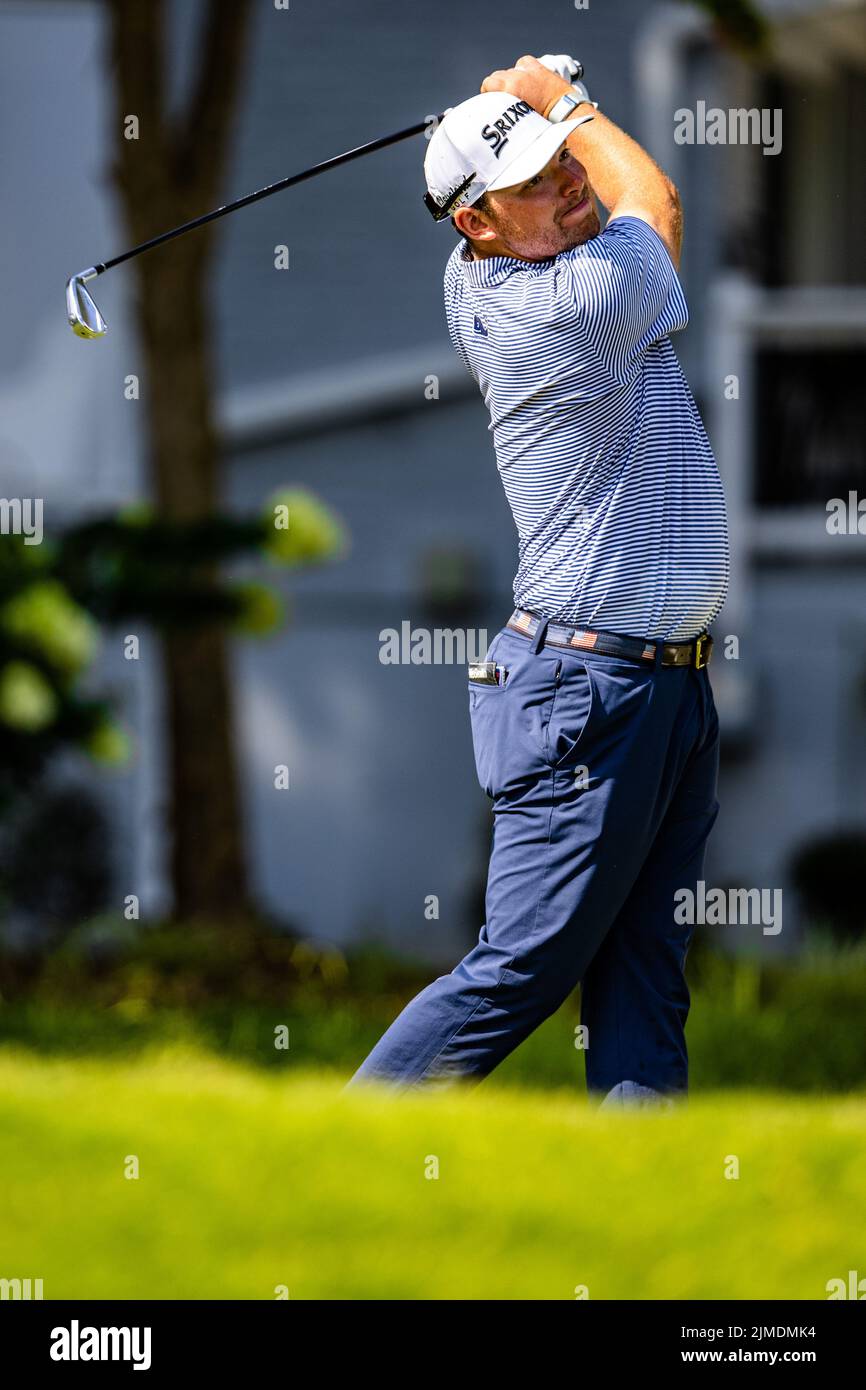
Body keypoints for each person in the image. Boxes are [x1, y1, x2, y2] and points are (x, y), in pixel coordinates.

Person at [347, 54, 729, 1108]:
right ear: (475, 223)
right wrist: (562, 99)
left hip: (658, 687)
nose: (569, 182)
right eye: (535, 180)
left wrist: (520, 118)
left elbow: (595, 196)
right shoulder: (572, 304)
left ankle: (635, 1196)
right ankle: (346, 1140)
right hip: (586, 695)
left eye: (564, 164)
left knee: (645, 971)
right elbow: (654, 196)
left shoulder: (489, 265)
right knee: (519, 966)